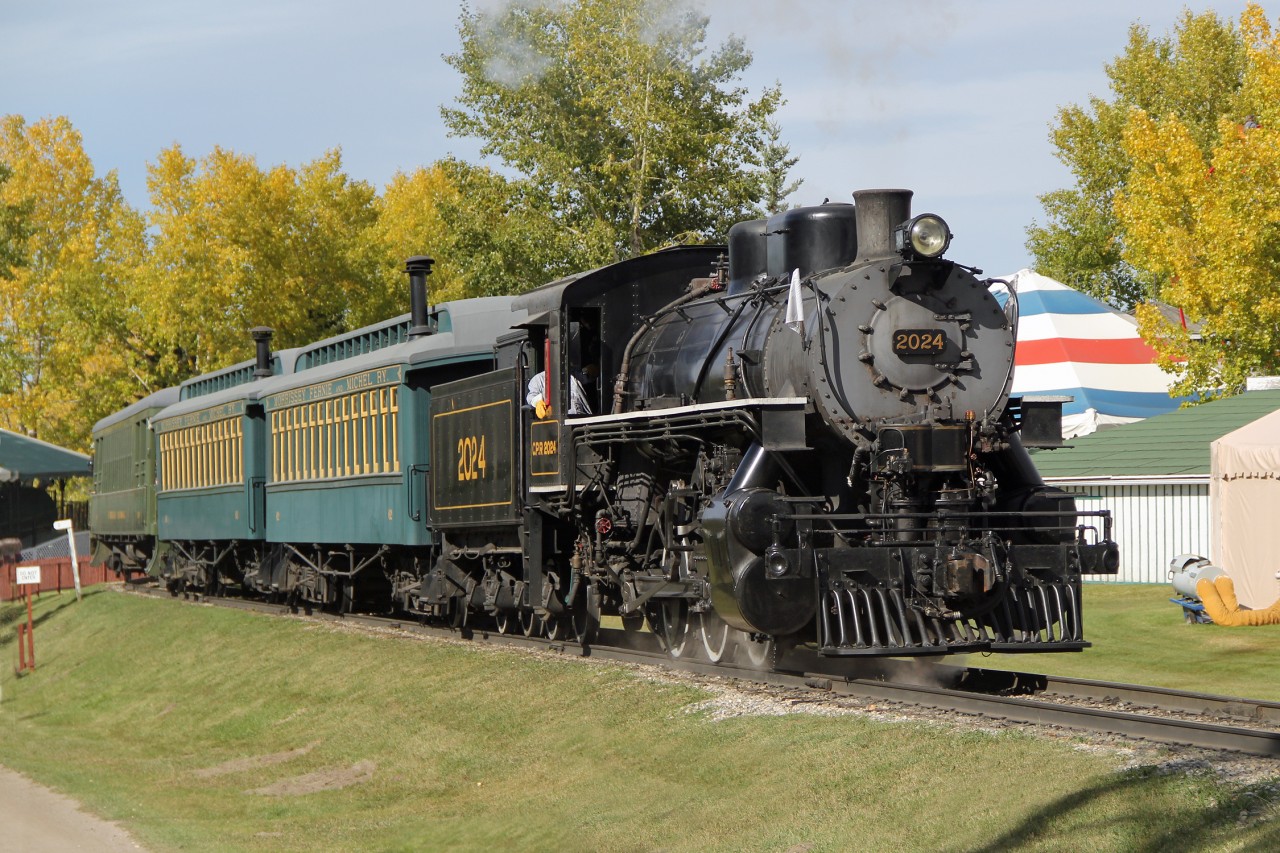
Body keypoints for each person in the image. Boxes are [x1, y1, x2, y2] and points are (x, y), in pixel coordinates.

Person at [527, 368, 593, 418]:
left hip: (581, 417)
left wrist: (590, 370)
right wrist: (538, 402)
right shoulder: (539, 379)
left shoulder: (572, 375)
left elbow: (586, 377)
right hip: (558, 420)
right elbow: (531, 396)